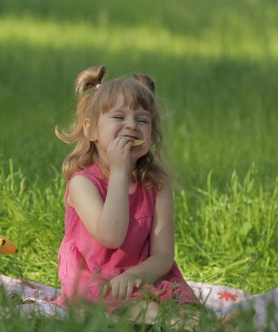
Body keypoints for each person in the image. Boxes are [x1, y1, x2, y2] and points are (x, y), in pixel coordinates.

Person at [54, 65, 201, 325]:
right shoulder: (82, 184)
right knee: (148, 311)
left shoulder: (156, 185)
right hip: (95, 281)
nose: (132, 126)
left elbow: (163, 255)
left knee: (183, 306)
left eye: (142, 120)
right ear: (91, 130)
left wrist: (134, 276)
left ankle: (202, 325)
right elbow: (111, 236)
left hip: (141, 277)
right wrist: (120, 173)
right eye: (119, 118)